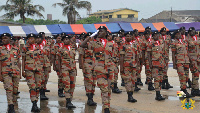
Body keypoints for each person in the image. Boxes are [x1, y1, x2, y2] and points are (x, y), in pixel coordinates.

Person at [80, 26, 114, 113]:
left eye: (101, 31)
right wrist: (90, 36)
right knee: (104, 88)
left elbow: (114, 55)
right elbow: (82, 45)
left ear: (106, 33)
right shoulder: (94, 43)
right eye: (98, 31)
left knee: (109, 88)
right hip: (100, 69)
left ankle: (107, 105)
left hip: (110, 69)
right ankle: (106, 108)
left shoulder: (111, 43)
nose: (99, 32)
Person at [0, 33, 21, 113]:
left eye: (5, 38)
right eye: (2, 38)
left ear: (9, 39)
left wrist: (20, 71)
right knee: (9, 89)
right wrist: (0, 75)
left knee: (15, 90)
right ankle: (10, 106)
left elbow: (18, 61)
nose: (3, 40)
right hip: (5, 72)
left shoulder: (16, 49)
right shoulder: (0, 49)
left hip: (15, 72)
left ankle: (13, 103)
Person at [22, 33, 42, 112]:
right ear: (27, 39)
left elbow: (39, 57)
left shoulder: (37, 47)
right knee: (32, 86)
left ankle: (35, 103)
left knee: (38, 86)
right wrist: (23, 70)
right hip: (29, 69)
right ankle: (34, 103)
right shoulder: (25, 48)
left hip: (38, 69)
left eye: (33, 38)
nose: (31, 40)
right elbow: (23, 59)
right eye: (29, 38)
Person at [171, 30, 193, 98]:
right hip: (179, 61)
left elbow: (187, 51)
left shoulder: (184, 42)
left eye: (179, 34)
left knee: (186, 77)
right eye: (177, 34)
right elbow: (173, 54)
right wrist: (174, 64)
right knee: (182, 76)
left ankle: (182, 92)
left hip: (186, 61)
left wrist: (190, 60)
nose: (179, 35)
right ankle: (183, 91)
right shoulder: (174, 43)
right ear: (175, 35)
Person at [57, 35, 77, 109]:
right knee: (67, 84)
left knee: (72, 84)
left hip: (72, 68)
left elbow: (74, 59)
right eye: (65, 39)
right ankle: (68, 101)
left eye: (67, 39)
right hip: (64, 68)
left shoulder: (73, 48)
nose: (66, 40)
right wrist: (59, 71)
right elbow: (58, 60)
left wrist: (76, 70)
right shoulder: (61, 49)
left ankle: (70, 100)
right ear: (63, 41)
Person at [79, 32, 97, 106]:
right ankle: (89, 99)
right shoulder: (84, 46)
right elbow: (81, 57)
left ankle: (91, 97)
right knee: (89, 81)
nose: (91, 39)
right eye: (89, 37)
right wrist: (82, 67)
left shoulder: (94, 45)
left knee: (93, 82)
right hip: (87, 65)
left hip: (94, 66)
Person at [120, 31, 138, 103]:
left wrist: (137, 64)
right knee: (127, 80)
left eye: (130, 36)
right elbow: (121, 57)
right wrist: (121, 67)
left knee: (133, 80)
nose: (128, 37)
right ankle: (129, 96)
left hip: (133, 65)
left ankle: (132, 94)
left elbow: (136, 55)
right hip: (126, 66)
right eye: (127, 36)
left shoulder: (134, 45)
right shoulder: (123, 45)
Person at [147, 31, 165, 101]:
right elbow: (148, 54)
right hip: (155, 64)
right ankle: (157, 94)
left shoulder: (161, 43)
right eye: (155, 35)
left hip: (161, 63)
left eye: (157, 35)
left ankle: (159, 93)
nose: (156, 36)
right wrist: (150, 63)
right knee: (156, 79)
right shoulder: (151, 44)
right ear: (153, 36)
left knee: (160, 78)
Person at [186, 27, 200, 96]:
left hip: (198, 59)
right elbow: (186, 50)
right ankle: (195, 89)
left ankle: (195, 88)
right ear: (189, 32)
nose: (192, 32)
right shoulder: (187, 39)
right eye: (191, 31)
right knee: (195, 73)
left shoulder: (197, 38)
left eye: (193, 31)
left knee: (197, 74)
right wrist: (189, 59)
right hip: (192, 59)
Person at [35, 34, 50, 100]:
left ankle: (43, 92)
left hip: (45, 64)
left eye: (39, 38)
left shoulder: (45, 45)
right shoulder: (34, 46)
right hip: (38, 65)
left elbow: (47, 53)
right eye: (37, 38)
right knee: (40, 79)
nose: (38, 40)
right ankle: (40, 94)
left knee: (45, 78)